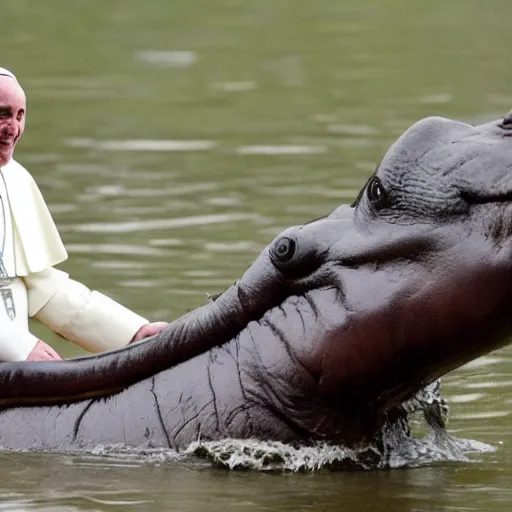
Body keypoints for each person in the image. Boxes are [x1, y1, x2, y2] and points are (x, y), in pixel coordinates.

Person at [0, 67, 168, 362]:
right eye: (2, 114)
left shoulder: (17, 180)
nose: (12, 128)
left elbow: (45, 289)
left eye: (19, 115)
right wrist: (19, 348)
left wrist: (131, 334)